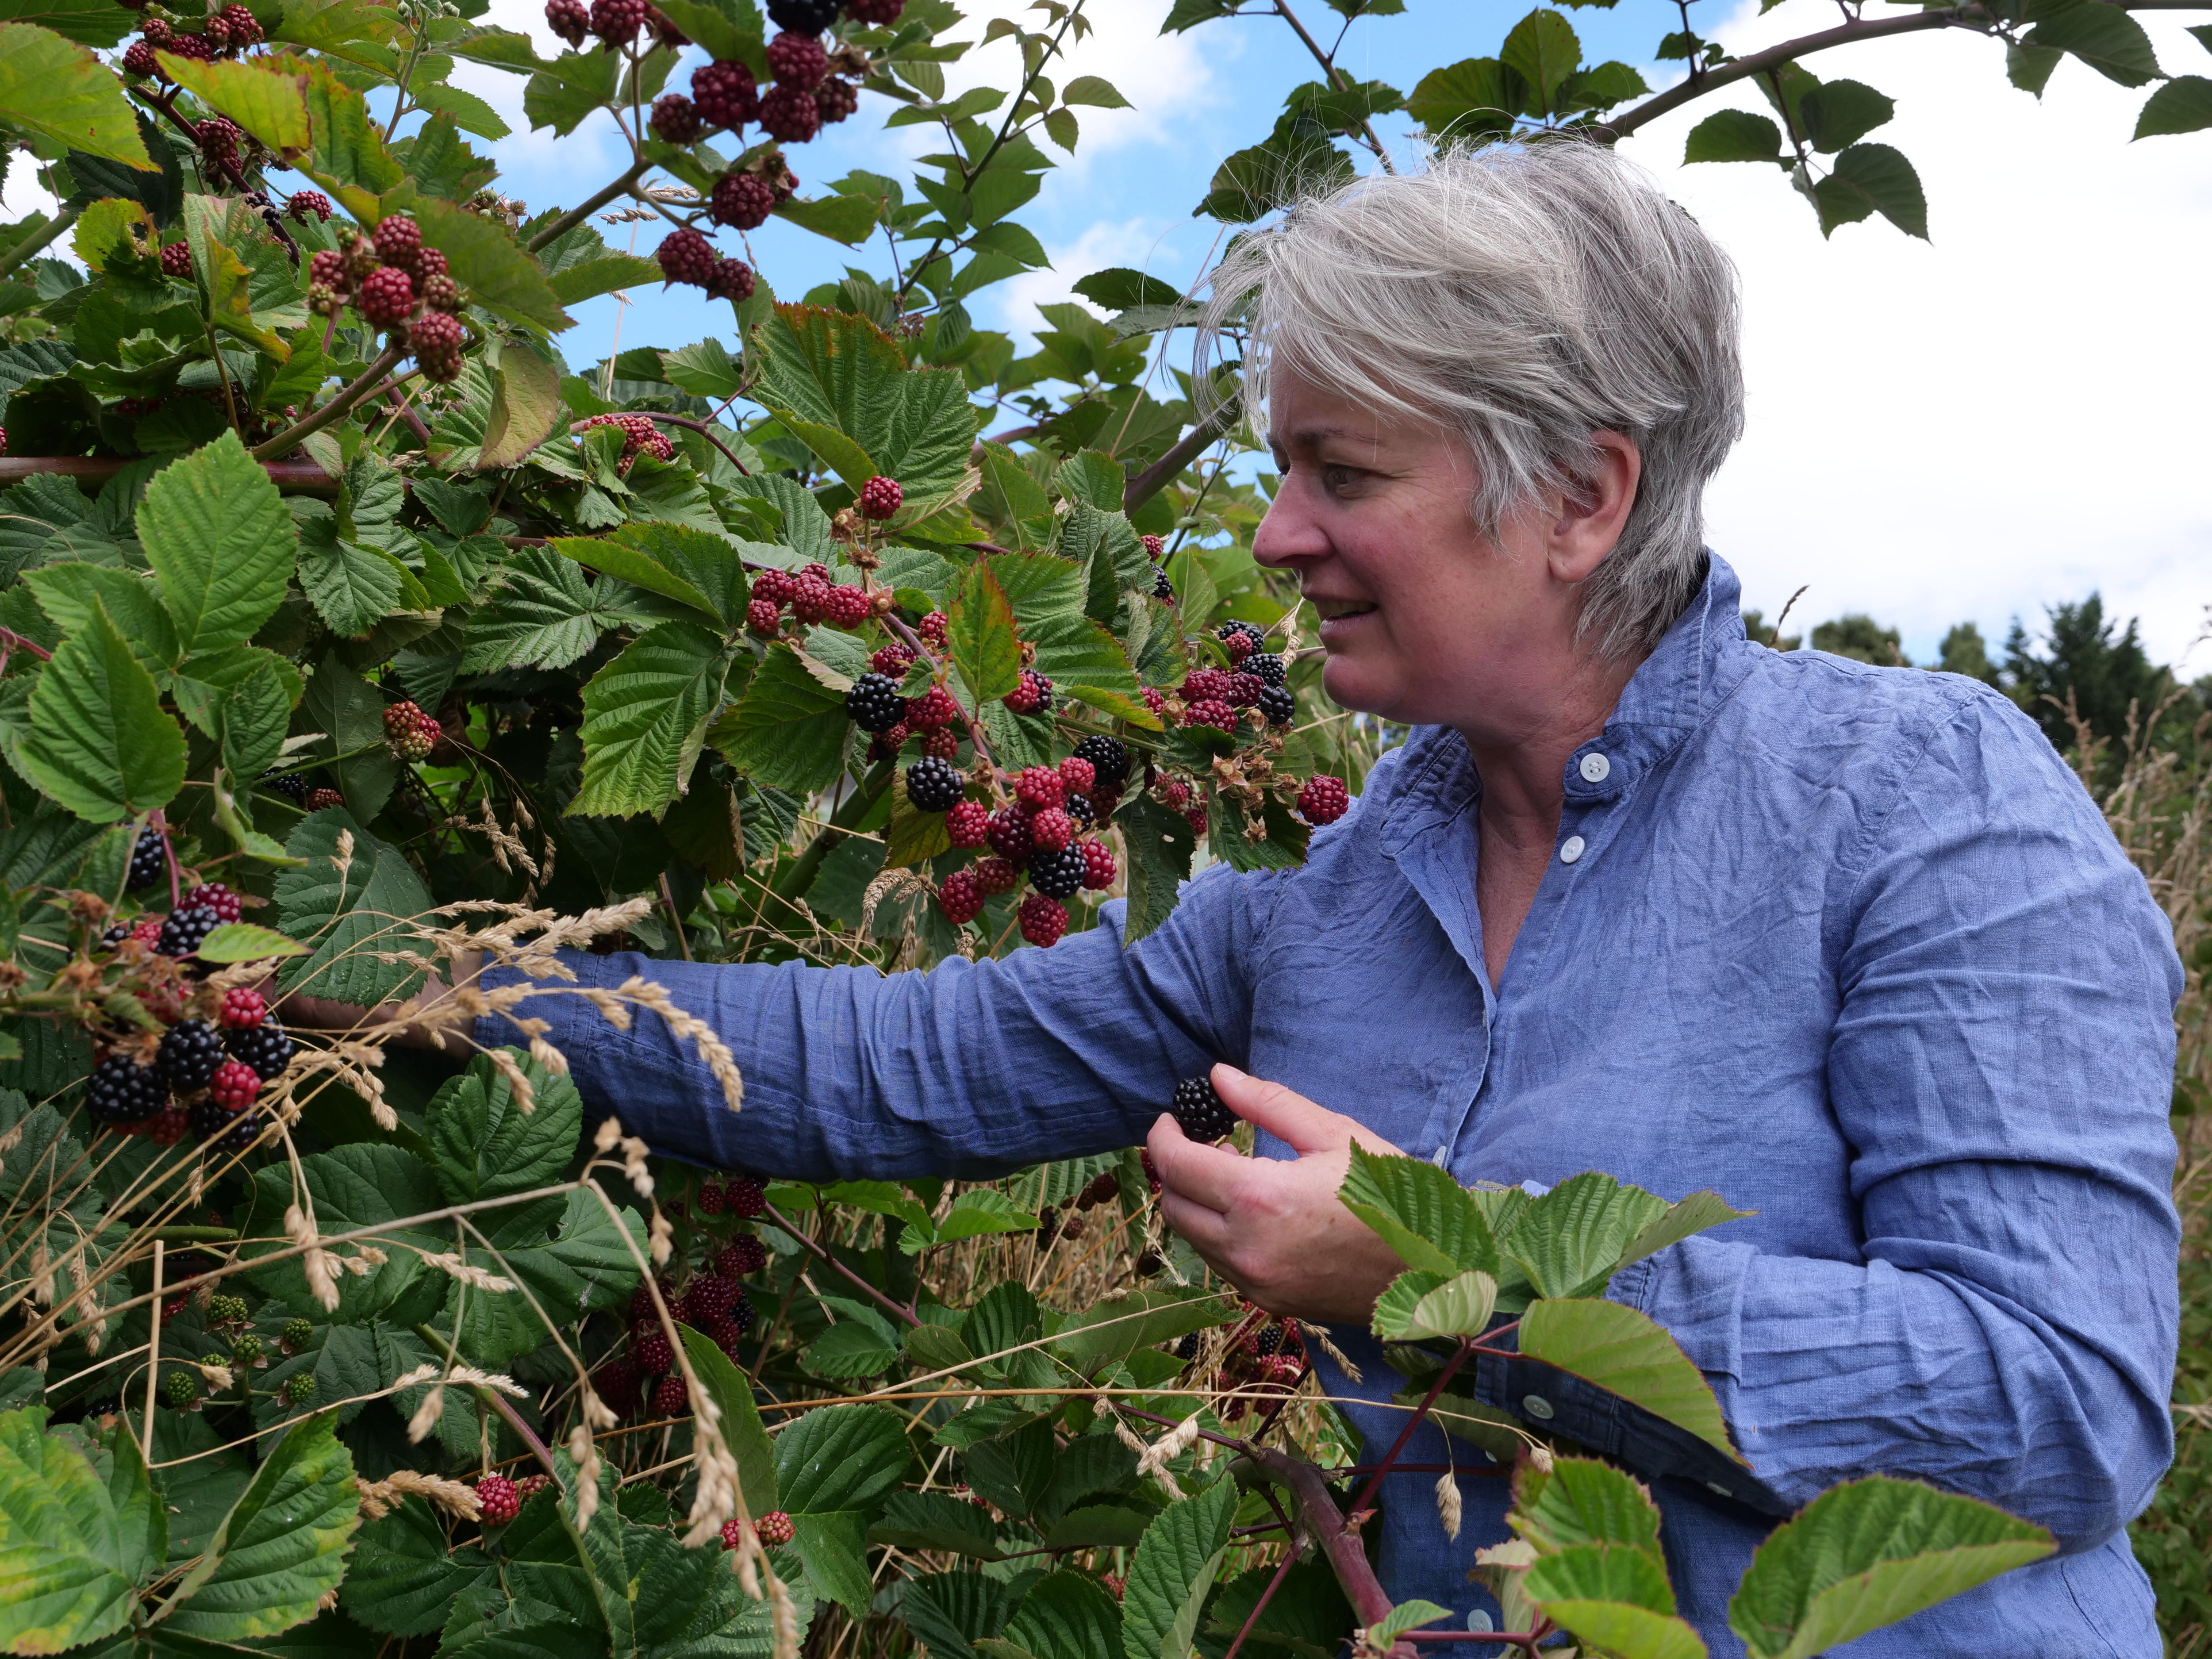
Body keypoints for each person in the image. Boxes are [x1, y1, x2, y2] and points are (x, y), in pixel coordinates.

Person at [315, 143, 2182, 1653]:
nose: (1276, 533)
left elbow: (2057, 1400)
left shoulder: (1918, 802)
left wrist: (1463, 1276)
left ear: (1582, 498)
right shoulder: (1331, 886)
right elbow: (906, 1061)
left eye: (1339, 469)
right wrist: (419, 995)